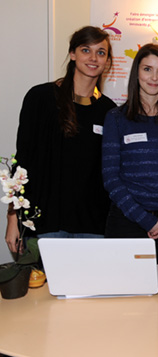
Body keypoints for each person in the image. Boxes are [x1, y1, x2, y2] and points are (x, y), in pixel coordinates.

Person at [5, 26, 117, 252]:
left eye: (101, 52)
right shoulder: (40, 98)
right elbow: (22, 161)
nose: (94, 58)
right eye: (86, 50)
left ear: (107, 61)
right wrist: (12, 217)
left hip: (93, 227)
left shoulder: (109, 111)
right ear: (73, 54)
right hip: (46, 223)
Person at [102, 44, 158, 264]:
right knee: (123, 293)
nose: (154, 77)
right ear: (136, 73)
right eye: (147, 69)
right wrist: (146, 220)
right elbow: (111, 179)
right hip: (126, 221)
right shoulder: (115, 118)